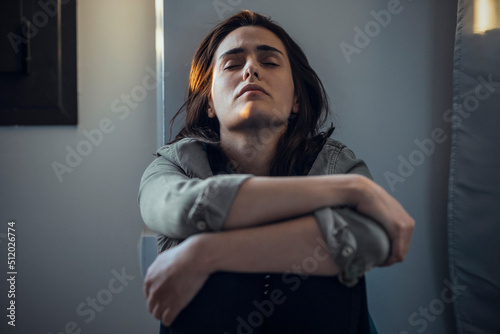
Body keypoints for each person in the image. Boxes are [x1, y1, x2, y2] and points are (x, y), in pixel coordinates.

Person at [139, 10, 414, 334]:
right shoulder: (172, 166)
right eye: (232, 63)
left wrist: (206, 253)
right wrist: (353, 191)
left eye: (269, 62)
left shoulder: (335, 165)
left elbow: (375, 240)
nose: (251, 69)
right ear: (210, 102)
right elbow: (186, 208)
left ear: (296, 99)